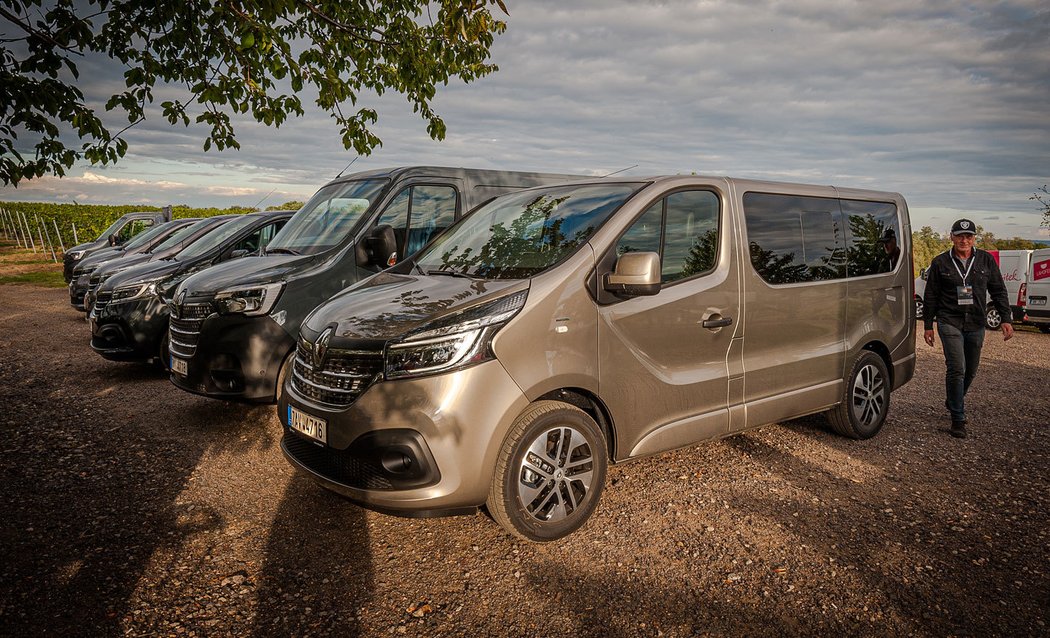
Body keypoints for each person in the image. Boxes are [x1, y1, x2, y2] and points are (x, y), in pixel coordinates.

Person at [922, 218, 1013, 438]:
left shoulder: (985, 260)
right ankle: (958, 418)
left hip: (975, 323)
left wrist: (1005, 318)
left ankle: (954, 398)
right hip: (949, 320)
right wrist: (928, 325)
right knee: (957, 368)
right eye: (960, 236)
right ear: (951, 237)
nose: (964, 240)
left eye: (969, 236)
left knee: (971, 370)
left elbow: (999, 290)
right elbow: (931, 295)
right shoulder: (940, 262)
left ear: (974, 238)